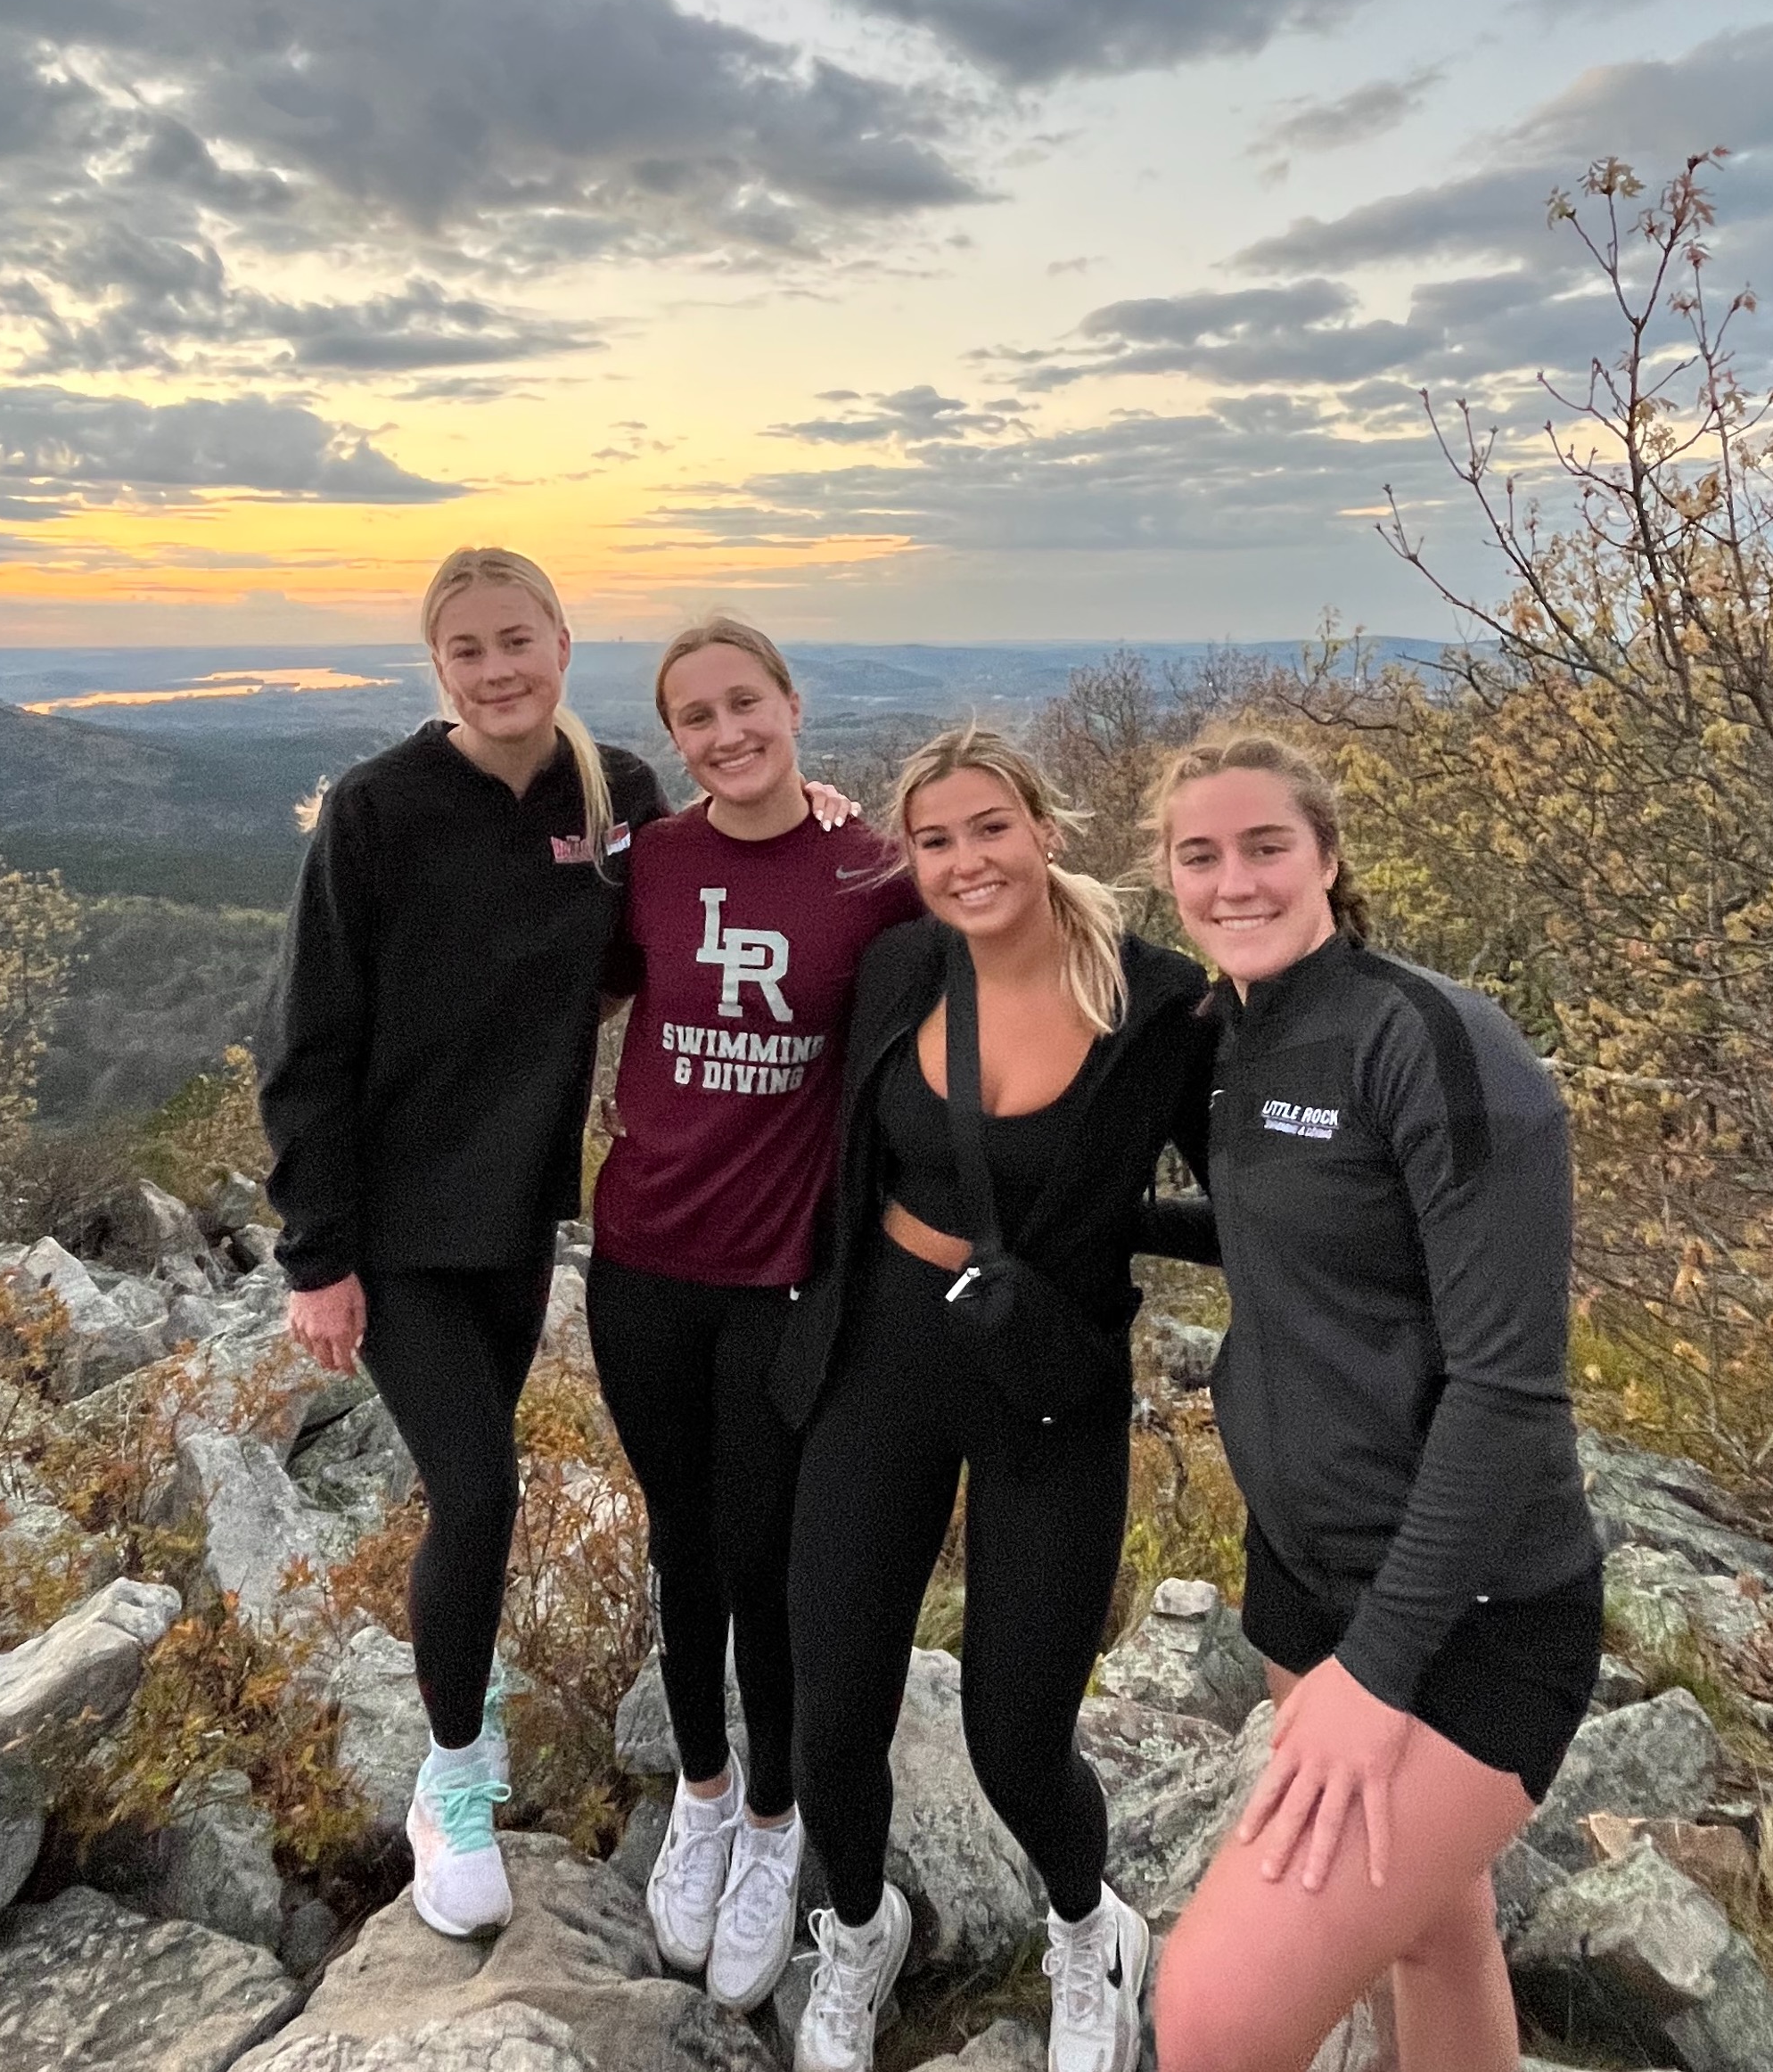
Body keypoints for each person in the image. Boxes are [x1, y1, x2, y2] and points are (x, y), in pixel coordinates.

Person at [1141, 731, 1603, 2072]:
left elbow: (1509, 1386)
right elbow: (1304, 1231)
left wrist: (1379, 1668)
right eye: (1199, 854)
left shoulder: (1435, 1038)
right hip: (1304, 1569)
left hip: (1472, 1611)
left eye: (1264, 845)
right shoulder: (1231, 1035)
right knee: (1429, 1930)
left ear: (1329, 859)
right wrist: (1110, 1225)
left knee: (1216, 2016)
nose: (1234, 880)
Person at [772, 727, 1217, 2072]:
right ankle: (856, 1929)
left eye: (988, 828)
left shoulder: (1159, 1003)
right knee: (828, 1708)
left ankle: (1089, 1931)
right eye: (933, 839)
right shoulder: (902, 968)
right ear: (907, 860)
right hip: (881, 1361)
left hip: (1045, 1385)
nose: (965, 861)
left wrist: (1123, 1235)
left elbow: (1250, 1194)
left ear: (1043, 828)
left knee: (1017, 1736)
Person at [256, 546, 668, 1940]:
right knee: (481, 1490)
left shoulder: (614, 791)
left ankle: (468, 1709)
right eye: (466, 651)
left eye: (518, 639)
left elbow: (690, 912)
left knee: (471, 1499)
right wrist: (317, 1253)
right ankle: (450, 1779)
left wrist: (835, 822)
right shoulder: (378, 808)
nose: (498, 670)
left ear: (563, 636)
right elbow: (305, 1035)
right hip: (393, 1218)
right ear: (437, 668)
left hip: (515, 1215)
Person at [587, 615, 919, 2011]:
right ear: (672, 742)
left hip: (783, 1277)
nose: (724, 733)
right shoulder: (649, 862)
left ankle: (778, 1821)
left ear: (791, 703)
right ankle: (704, 1792)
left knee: (767, 1552)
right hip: (642, 1258)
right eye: (694, 718)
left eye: (744, 703)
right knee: (681, 1538)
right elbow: (542, 985)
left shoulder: (875, 868)